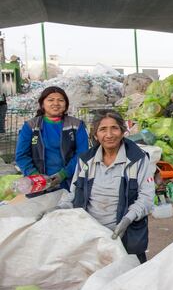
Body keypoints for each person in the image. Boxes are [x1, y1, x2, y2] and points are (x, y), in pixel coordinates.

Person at [57, 110, 155, 263]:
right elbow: (74, 194)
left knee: (131, 278)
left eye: (114, 128)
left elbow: (147, 198)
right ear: (95, 135)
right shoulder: (86, 160)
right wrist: (59, 209)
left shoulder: (137, 159)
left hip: (126, 234)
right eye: (103, 129)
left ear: (123, 132)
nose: (109, 134)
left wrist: (127, 219)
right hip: (92, 236)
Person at [15, 86, 89, 194]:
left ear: (66, 105)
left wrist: (63, 174)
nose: (56, 103)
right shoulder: (30, 126)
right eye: (50, 100)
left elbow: (82, 153)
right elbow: (21, 155)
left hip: (70, 182)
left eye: (60, 100)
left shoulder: (76, 125)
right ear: (42, 104)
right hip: (38, 184)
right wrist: (36, 176)